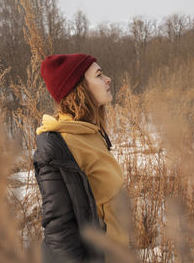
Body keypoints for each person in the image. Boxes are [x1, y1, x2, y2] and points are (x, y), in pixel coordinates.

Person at [33, 53, 130, 263]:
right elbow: (59, 228)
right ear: (80, 89)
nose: (107, 79)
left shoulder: (91, 132)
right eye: (99, 75)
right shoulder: (61, 146)